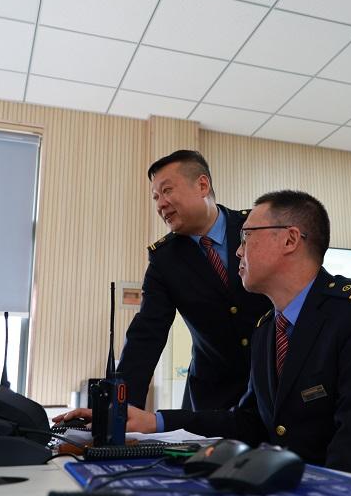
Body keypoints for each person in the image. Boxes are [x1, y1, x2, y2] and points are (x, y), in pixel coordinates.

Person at [60, 190, 351, 488]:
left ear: (290, 239)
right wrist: (154, 422)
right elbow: (248, 423)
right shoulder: (266, 330)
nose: (238, 250)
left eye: (247, 237)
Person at [116, 150, 271, 411]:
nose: (160, 204)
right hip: (212, 398)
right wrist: (120, 409)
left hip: (273, 383)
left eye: (167, 191)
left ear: (202, 185)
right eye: (155, 197)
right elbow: (147, 333)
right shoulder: (164, 259)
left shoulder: (255, 228)